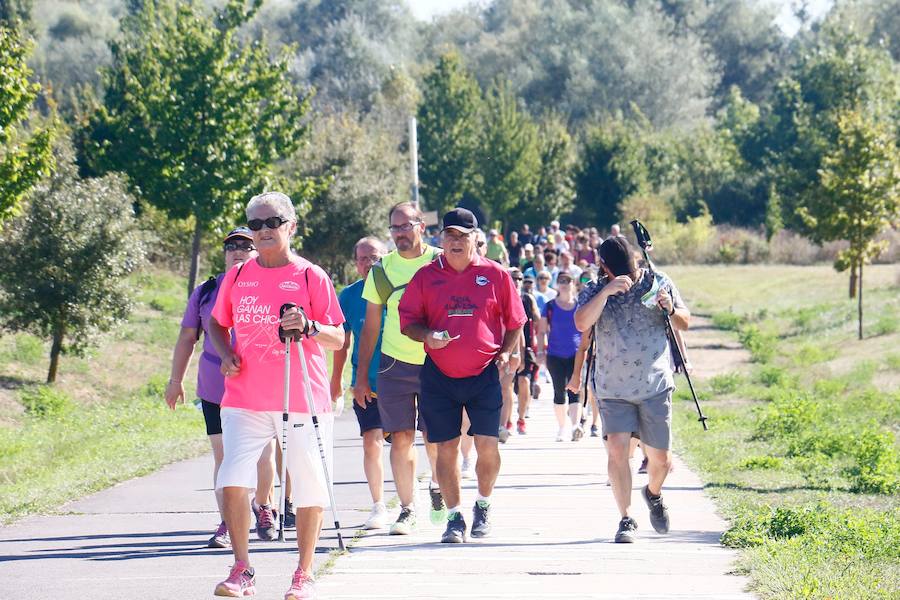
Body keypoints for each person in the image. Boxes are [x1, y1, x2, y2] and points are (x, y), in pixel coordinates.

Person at [209, 191, 345, 598]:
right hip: (245, 396)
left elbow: (338, 337)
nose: (264, 231)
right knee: (232, 477)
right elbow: (218, 323)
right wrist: (226, 352)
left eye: (273, 223)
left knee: (308, 485)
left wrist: (308, 326)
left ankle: (302, 574)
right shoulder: (237, 275)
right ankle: (242, 569)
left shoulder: (310, 275)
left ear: (291, 226)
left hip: (301, 395)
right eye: (255, 225)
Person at [399, 207, 526, 543]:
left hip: (483, 374)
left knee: (487, 446)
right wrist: (426, 335)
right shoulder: (426, 277)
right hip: (439, 376)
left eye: (462, 236)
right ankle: (454, 518)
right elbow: (408, 322)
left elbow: (516, 321)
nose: (455, 242)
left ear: (475, 239)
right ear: (440, 239)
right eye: (449, 235)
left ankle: (483, 504)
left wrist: (507, 352)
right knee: (446, 448)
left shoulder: (496, 275)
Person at [166, 228, 280, 548]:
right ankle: (229, 522)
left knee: (263, 454)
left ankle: (264, 506)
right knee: (224, 457)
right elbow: (188, 338)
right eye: (231, 246)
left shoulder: (269, 283)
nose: (238, 250)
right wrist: (175, 381)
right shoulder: (206, 291)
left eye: (246, 244)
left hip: (260, 384)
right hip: (216, 387)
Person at [574, 236, 690, 544]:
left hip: (654, 385)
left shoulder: (658, 283)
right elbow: (581, 323)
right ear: (605, 268)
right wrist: (606, 292)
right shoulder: (596, 290)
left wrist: (670, 309)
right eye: (619, 272)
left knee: (660, 460)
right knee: (617, 451)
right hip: (613, 389)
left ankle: (652, 493)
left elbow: (685, 322)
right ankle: (625, 518)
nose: (630, 275)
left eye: (633, 268)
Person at [353, 201, 444, 535]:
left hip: (436, 362)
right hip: (394, 363)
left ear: (422, 225)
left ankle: (438, 487)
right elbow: (370, 327)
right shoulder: (382, 270)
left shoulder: (440, 261)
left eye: (406, 226)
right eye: (394, 228)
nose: (400, 234)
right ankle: (407, 509)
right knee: (401, 438)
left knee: (435, 437)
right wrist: (363, 376)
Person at [331, 236, 389, 530]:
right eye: (363, 259)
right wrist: (336, 381)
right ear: (356, 264)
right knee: (372, 442)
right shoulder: (349, 296)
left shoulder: (399, 292)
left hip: (403, 379)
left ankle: (412, 498)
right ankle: (378, 506)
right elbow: (342, 342)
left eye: (375, 257)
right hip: (366, 381)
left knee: (407, 442)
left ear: (386, 258)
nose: (369, 264)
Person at [538, 270, 583, 442]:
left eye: (568, 280)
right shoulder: (549, 306)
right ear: (557, 284)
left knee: (575, 390)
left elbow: (587, 330)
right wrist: (540, 352)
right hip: (555, 354)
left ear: (573, 284)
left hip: (576, 354)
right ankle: (562, 428)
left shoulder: (580, 305)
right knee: (558, 391)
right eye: (561, 281)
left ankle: (575, 426)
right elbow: (542, 332)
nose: (564, 283)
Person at [514, 272, 541, 434]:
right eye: (514, 278)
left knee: (524, 381)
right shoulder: (501, 295)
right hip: (506, 347)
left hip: (527, 346)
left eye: (519, 278)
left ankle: (521, 418)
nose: (517, 281)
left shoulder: (527, 298)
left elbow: (537, 319)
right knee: (507, 387)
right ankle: (506, 421)